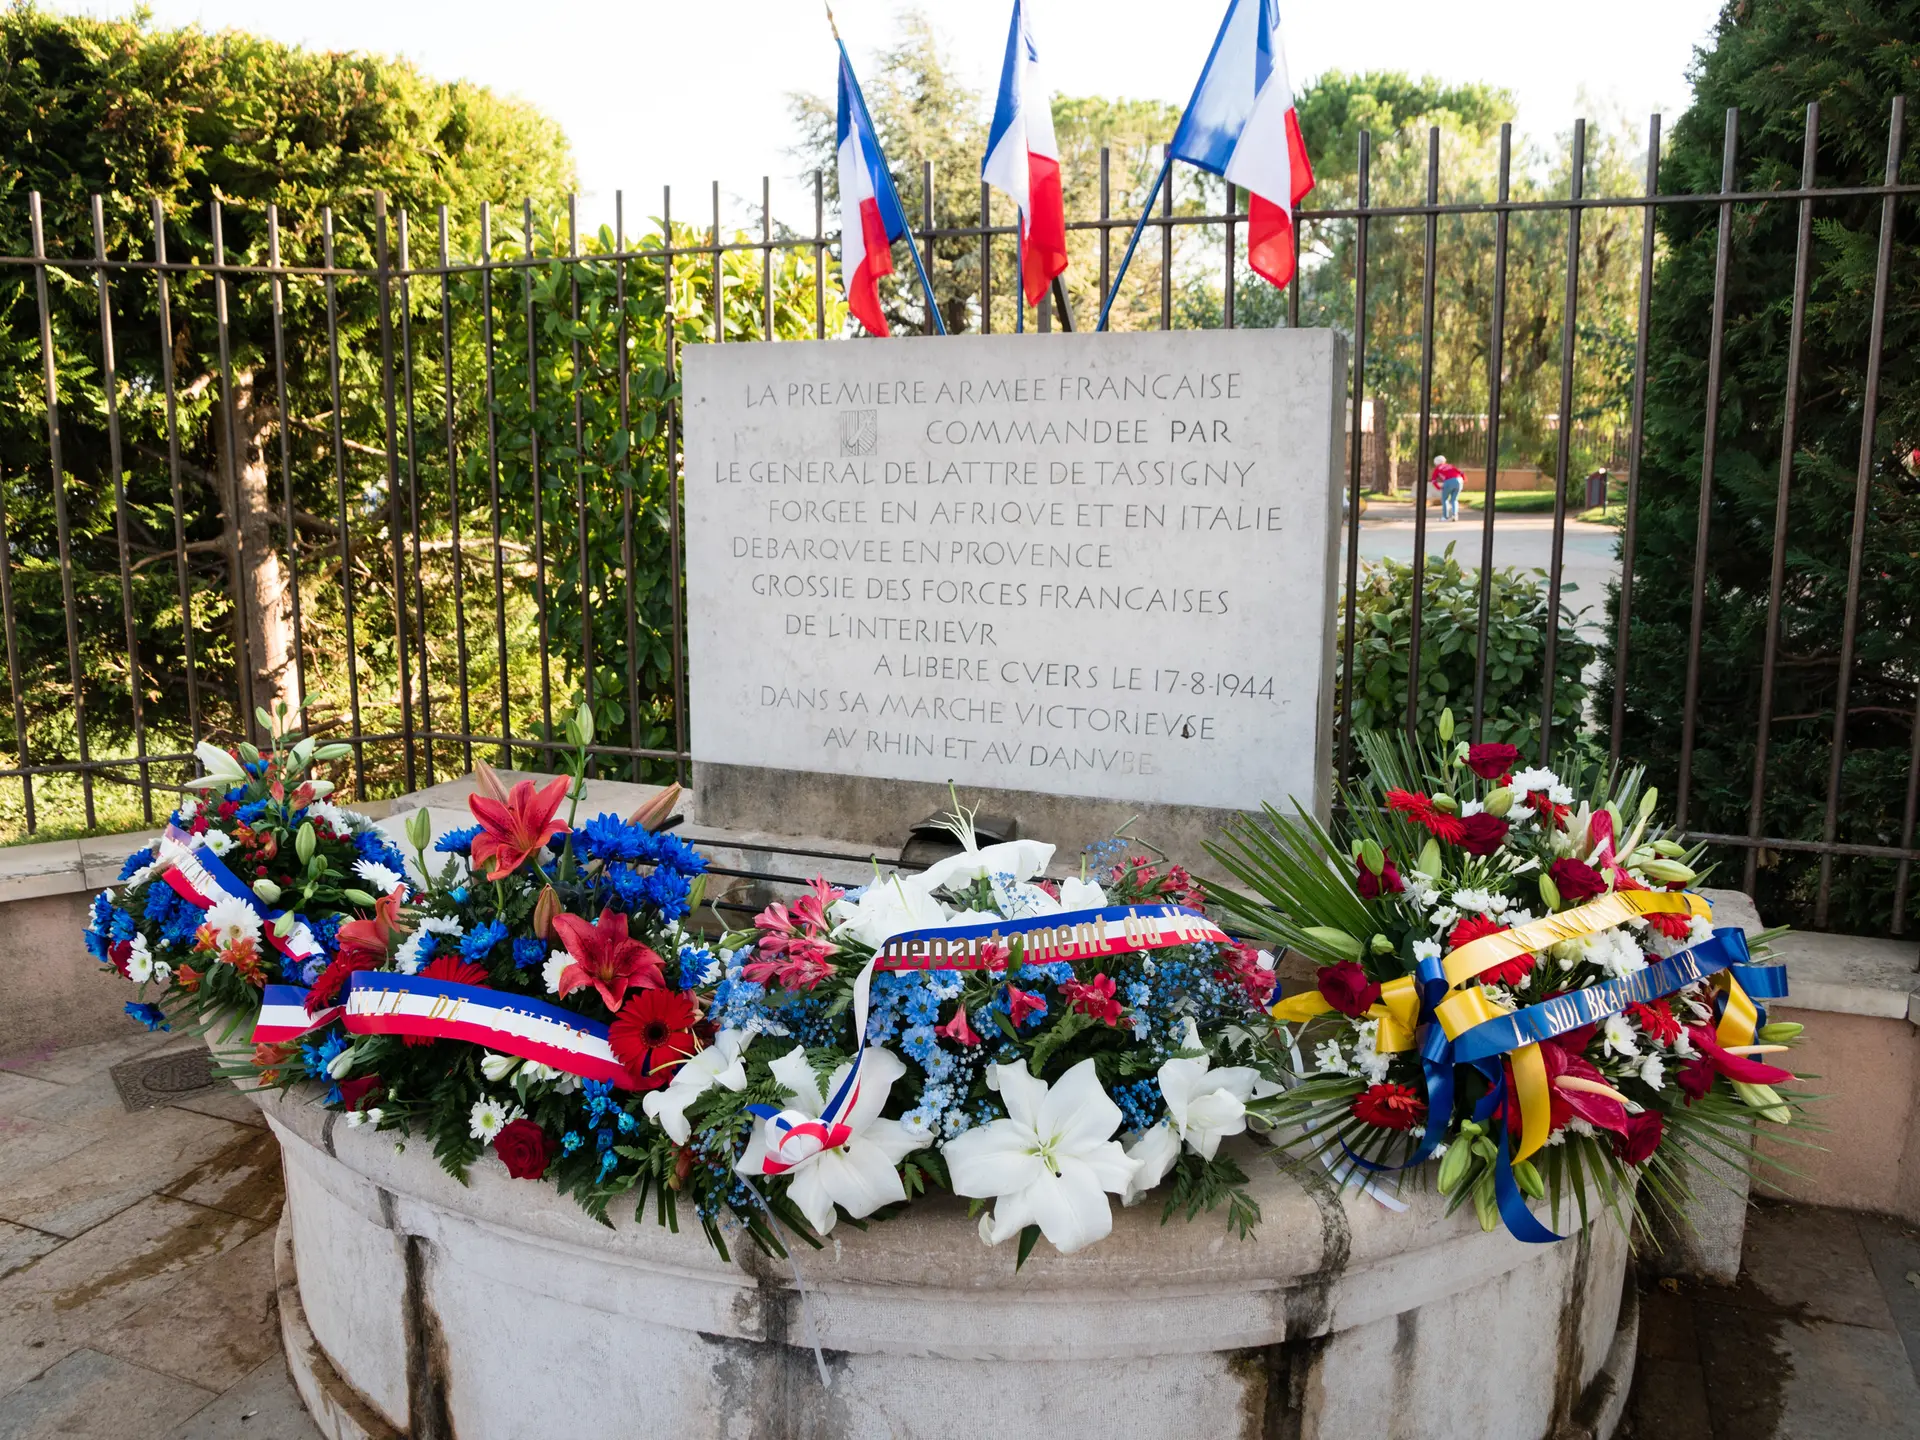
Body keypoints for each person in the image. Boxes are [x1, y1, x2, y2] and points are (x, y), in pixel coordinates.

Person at [1430, 454, 1465, 521]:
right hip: (1459, 481)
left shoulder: (1437, 468)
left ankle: (1445, 517)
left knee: (1444, 499)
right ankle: (1455, 515)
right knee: (1454, 500)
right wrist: (1464, 479)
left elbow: (1434, 480)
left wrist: (1438, 487)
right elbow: (1461, 472)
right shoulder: (1450, 466)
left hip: (1448, 481)